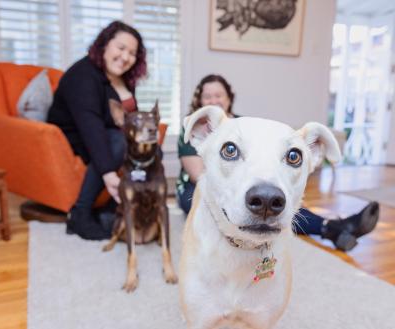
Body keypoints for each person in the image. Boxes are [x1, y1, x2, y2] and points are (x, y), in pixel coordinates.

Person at [176, 74, 380, 251]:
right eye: (207, 96)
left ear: (229, 97)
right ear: (200, 100)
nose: (214, 99)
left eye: (218, 95)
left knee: (285, 203)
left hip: (248, 187)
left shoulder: (247, 126)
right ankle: (333, 228)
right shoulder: (200, 126)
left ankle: (331, 227)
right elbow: (197, 174)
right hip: (193, 187)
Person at [47, 21, 147, 240]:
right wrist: (109, 174)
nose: (126, 57)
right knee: (118, 142)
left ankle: (112, 208)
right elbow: (91, 124)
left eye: (132, 53)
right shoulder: (83, 74)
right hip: (75, 137)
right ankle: (79, 214)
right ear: (104, 44)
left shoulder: (124, 80)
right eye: (121, 48)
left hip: (109, 135)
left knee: (149, 150)